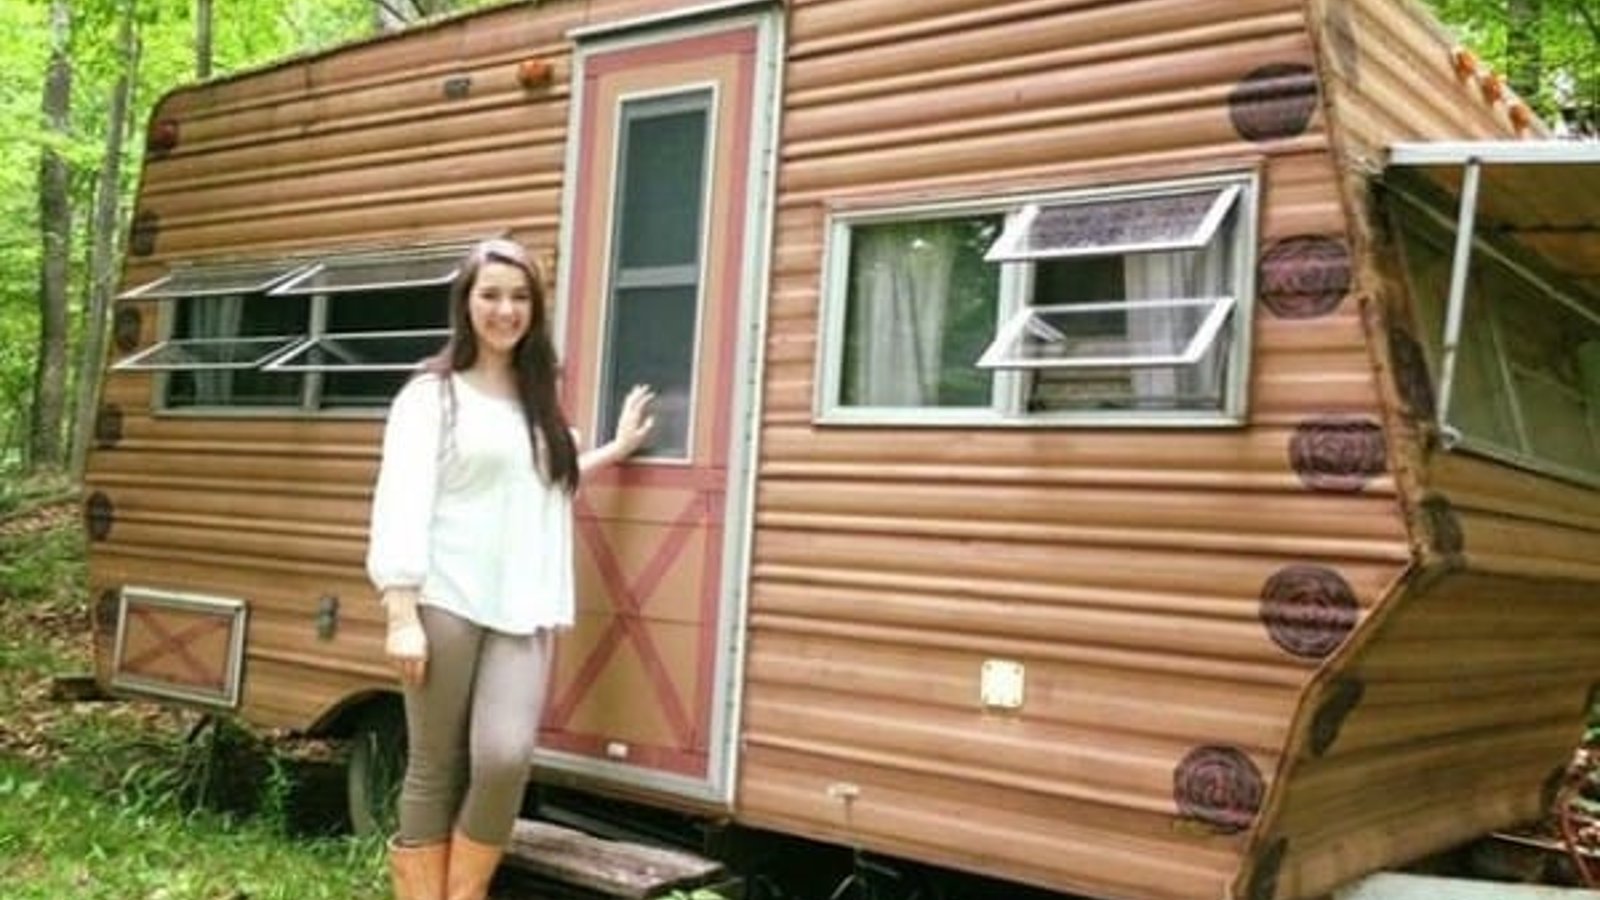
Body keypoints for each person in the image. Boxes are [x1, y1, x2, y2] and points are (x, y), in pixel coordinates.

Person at [365, 236, 654, 900]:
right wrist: (401, 614)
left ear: (536, 309)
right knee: (436, 766)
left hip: (522, 604)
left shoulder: (537, 403)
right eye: (490, 295)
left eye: (520, 297)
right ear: (465, 305)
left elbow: (546, 481)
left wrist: (617, 446)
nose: (505, 309)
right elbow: (401, 500)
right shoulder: (430, 397)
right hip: (444, 599)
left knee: (504, 758)